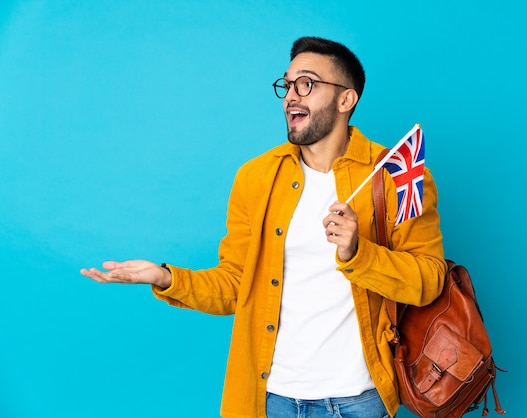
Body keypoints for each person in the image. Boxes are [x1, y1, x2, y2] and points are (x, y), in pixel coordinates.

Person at [81, 36, 446, 418]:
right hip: (271, 399)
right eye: (286, 85)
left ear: (345, 99)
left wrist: (359, 253)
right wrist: (165, 277)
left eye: (306, 83)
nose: (291, 96)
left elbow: (428, 282)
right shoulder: (255, 178)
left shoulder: (394, 176)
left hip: (359, 400)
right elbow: (235, 285)